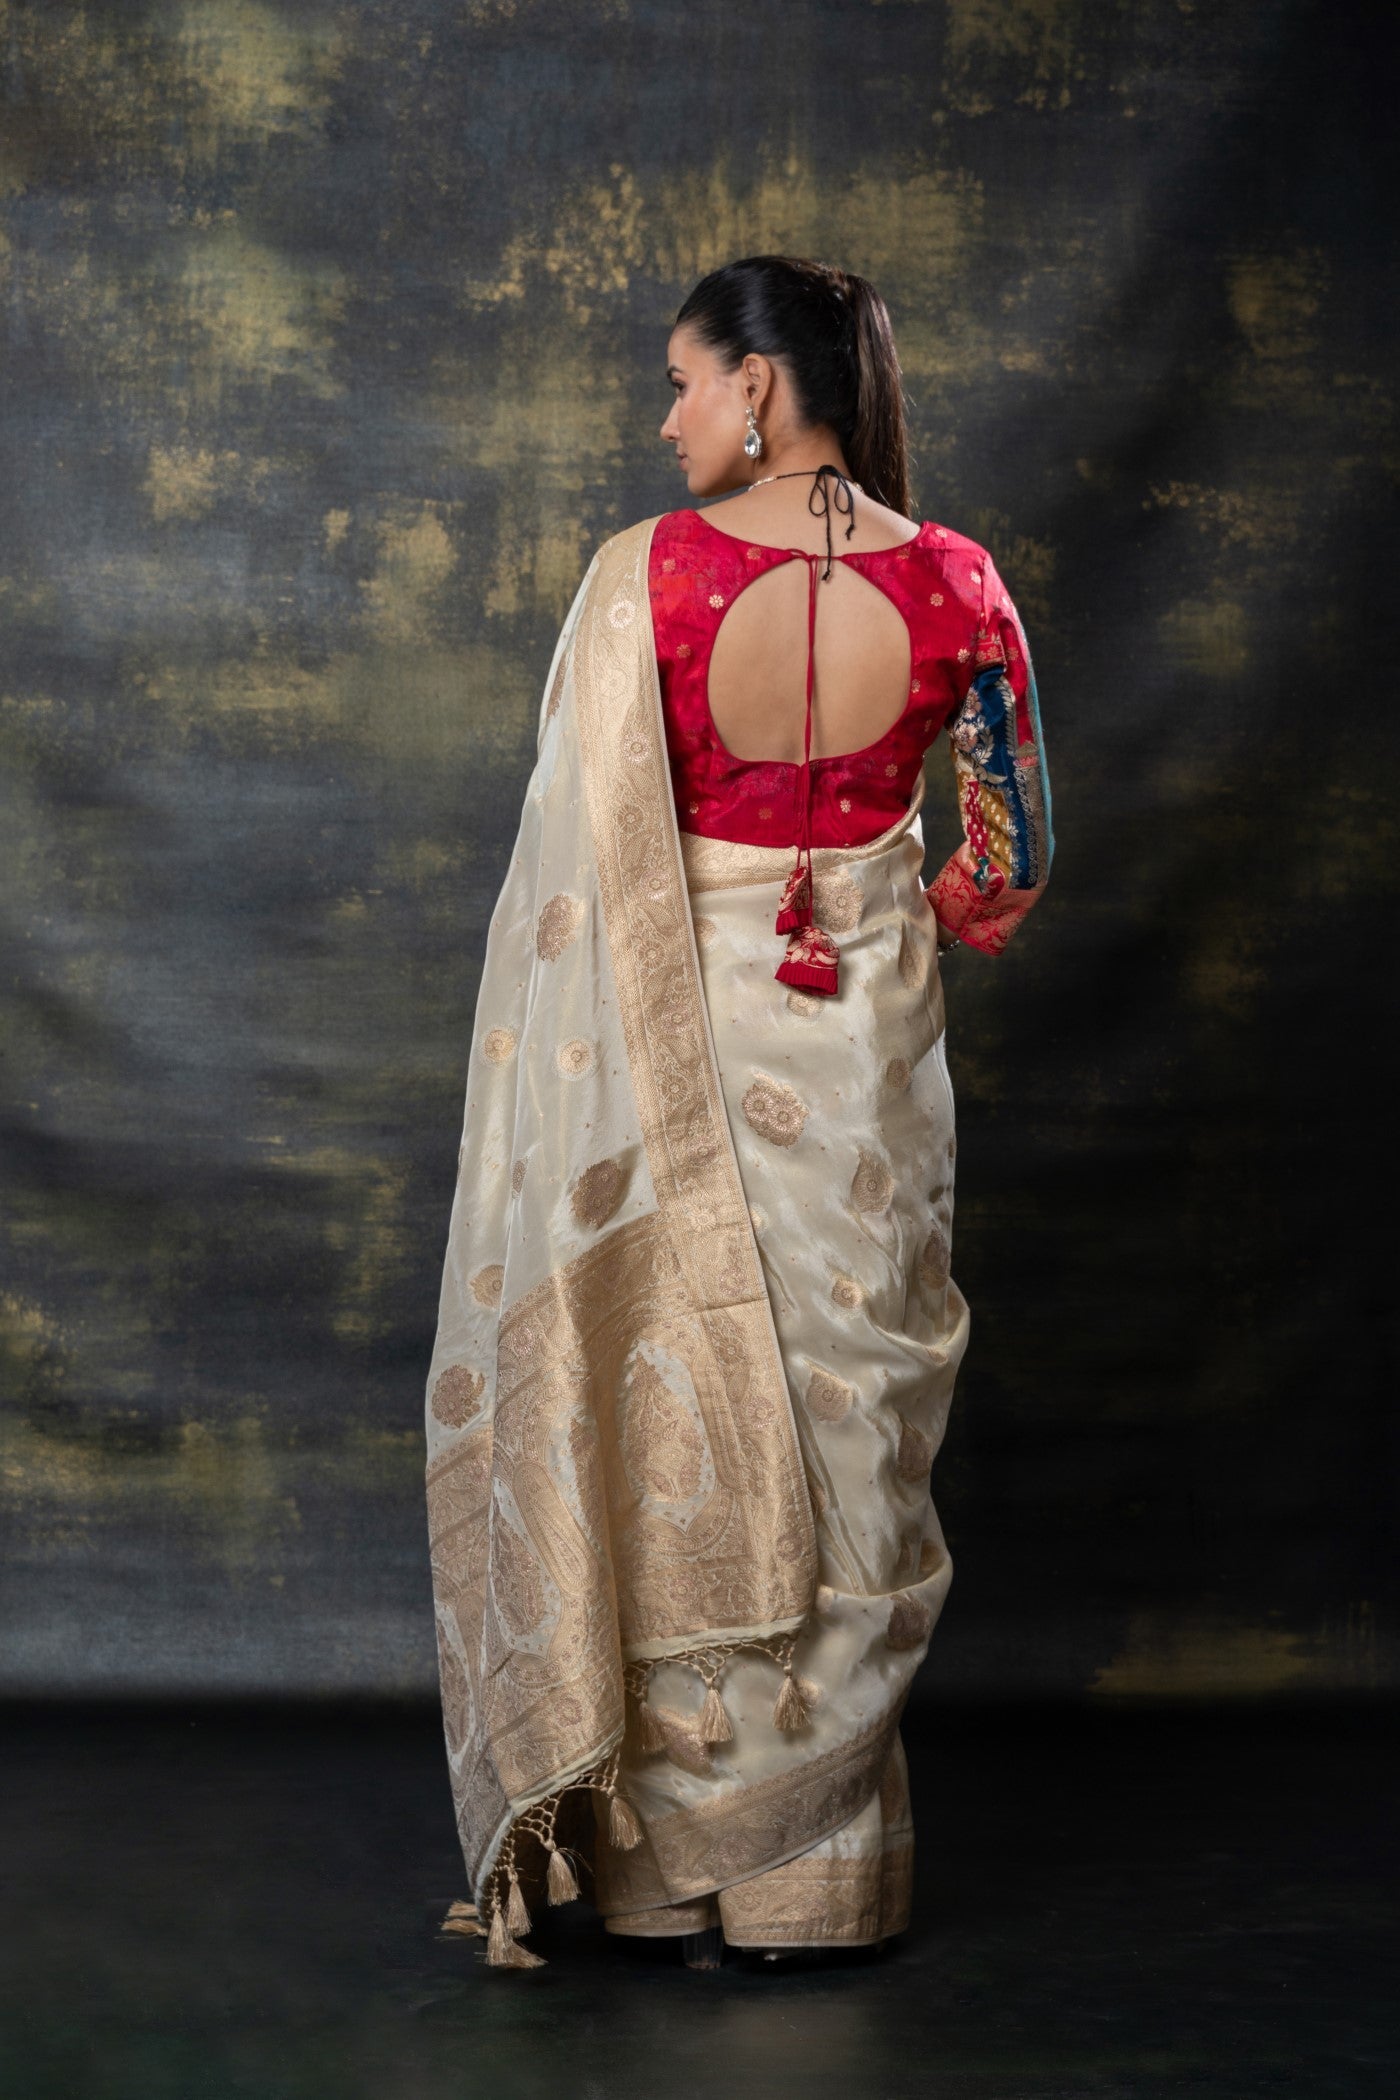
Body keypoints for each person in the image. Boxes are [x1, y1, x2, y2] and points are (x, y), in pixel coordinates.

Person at [424, 254, 1054, 1972]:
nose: (671, 416)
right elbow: (1009, 855)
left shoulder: (647, 578)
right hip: (866, 1059)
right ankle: (818, 1882)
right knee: (855, 1425)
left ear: (760, 387)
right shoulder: (958, 582)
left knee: (677, 1406)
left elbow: (578, 842)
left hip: (661, 1036)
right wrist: (883, 907)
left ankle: (669, 1874)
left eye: (685, 381)